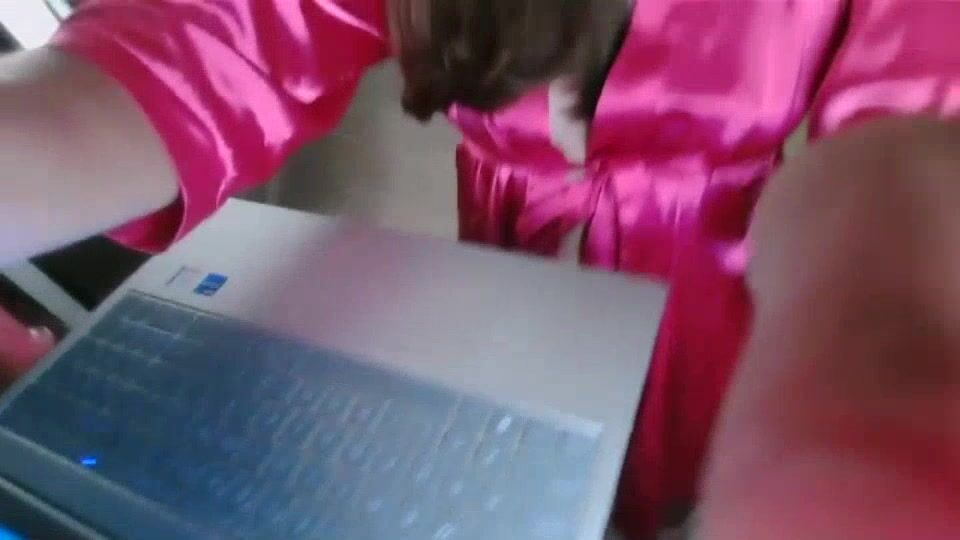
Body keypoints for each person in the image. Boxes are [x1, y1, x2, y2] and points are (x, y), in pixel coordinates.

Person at [1, 0, 959, 538]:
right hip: (513, 250)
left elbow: (911, 143)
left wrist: (864, 396)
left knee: (674, 474)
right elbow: (209, 40)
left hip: (716, 263)